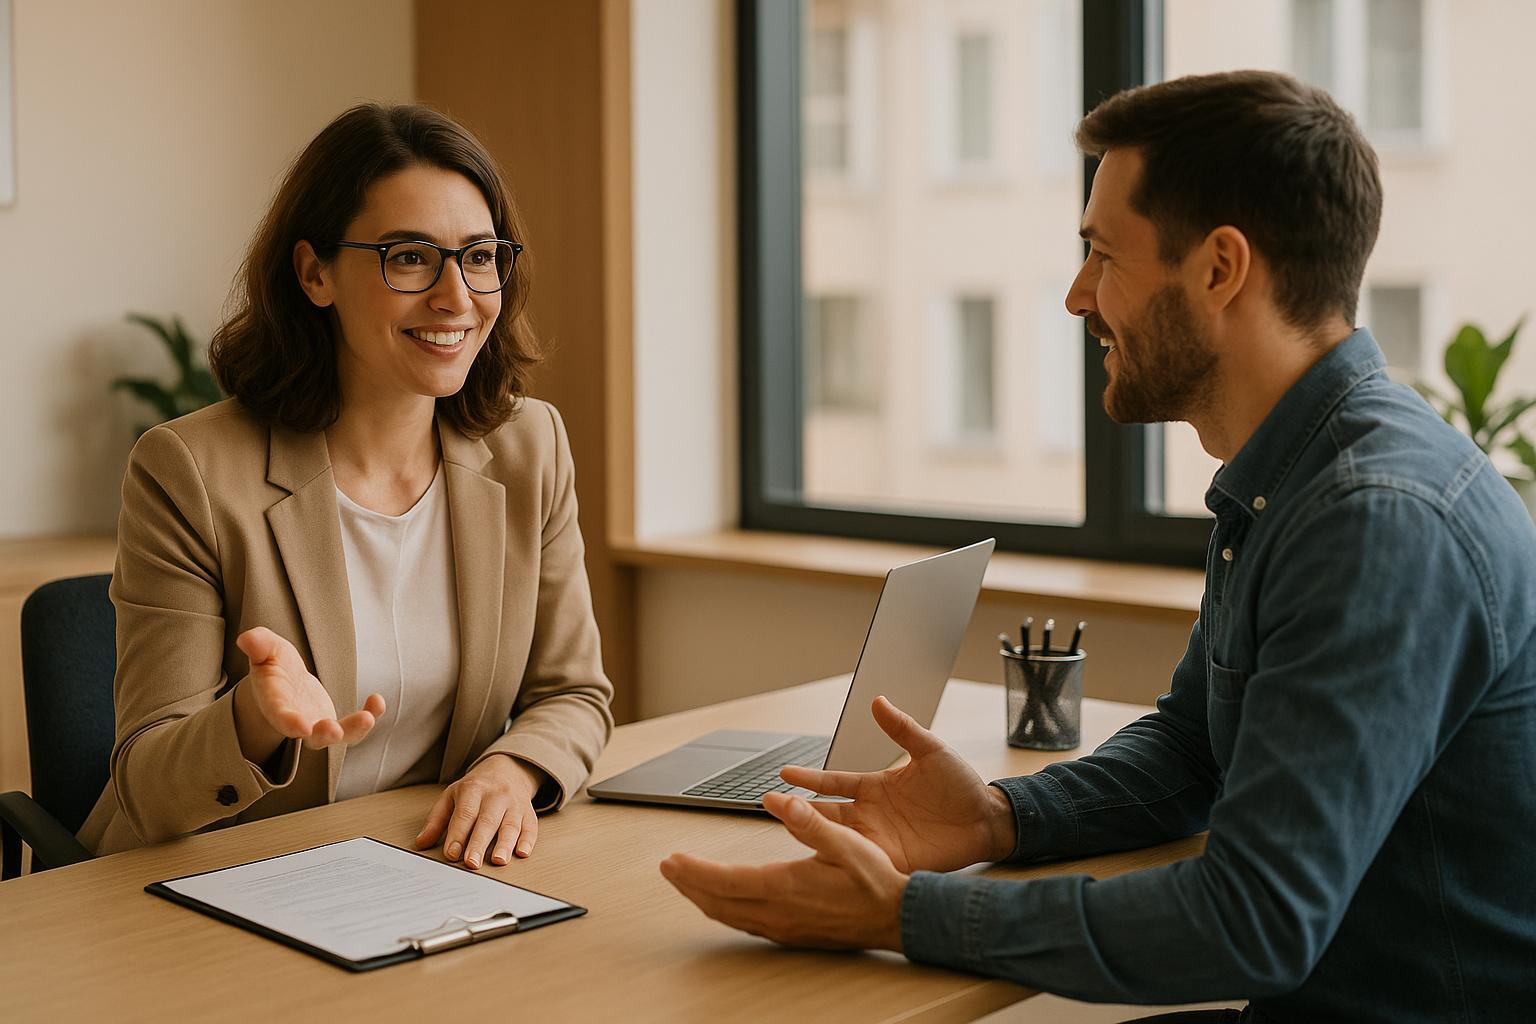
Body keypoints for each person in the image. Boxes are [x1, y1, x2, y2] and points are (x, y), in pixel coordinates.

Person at [661, 71, 1536, 1022]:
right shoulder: (1295, 475)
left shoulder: (1375, 520)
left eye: (1103, 254)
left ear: (1220, 268)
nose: (1079, 296)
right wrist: (1000, 816)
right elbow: (1194, 748)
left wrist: (903, 914)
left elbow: (1253, 920)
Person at [79, 103, 614, 872]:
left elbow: (574, 693)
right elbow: (148, 786)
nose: (456, 297)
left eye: (479, 255)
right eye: (410, 257)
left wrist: (511, 769)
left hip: (423, 865)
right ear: (315, 274)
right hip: (219, 878)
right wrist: (251, 720)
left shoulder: (529, 447)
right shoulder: (188, 469)